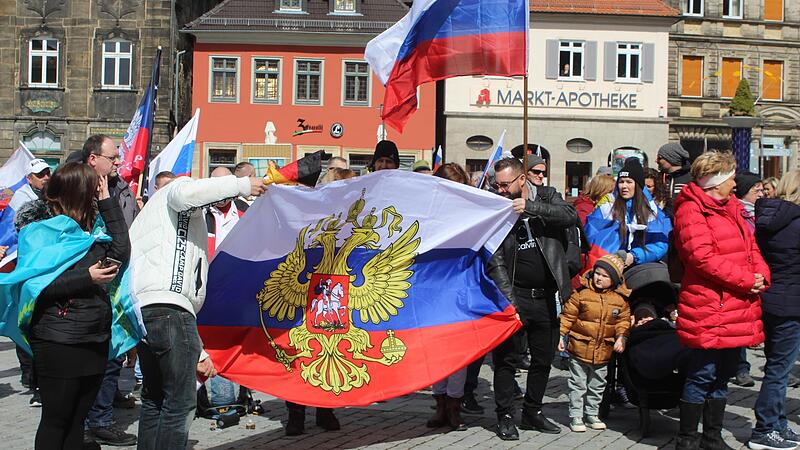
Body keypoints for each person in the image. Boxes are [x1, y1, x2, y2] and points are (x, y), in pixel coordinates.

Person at [129, 170, 266, 450]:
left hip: (146, 309)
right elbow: (185, 193)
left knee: (155, 399)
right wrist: (241, 184)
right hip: (170, 307)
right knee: (179, 402)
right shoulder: (177, 190)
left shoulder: (154, 214)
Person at [14, 163, 130, 450]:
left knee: (78, 420)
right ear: (77, 193)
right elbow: (34, 288)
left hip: (94, 336)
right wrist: (86, 277)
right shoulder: (39, 232)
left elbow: (121, 252)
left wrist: (107, 202)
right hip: (59, 339)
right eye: (93, 190)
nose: (96, 194)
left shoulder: (91, 231)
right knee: (57, 419)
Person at [672, 151, 769, 450]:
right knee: (702, 374)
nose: (736, 183)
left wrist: (761, 276)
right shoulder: (691, 210)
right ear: (717, 182)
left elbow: (752, 247)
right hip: (709, 305)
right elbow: (701, 257)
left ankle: (711, 438)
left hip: (736, 304)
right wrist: (744, 279)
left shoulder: (733, 207)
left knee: (722, 375)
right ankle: (687, 440)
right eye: (731, 178)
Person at [486, 158, 576, 440]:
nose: (500, 190)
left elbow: (570, 216)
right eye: (497, 184)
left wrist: (531, 208)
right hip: (516, 296)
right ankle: (504, 416)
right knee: (506, 360)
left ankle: (532, 412)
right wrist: (509, 300)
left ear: (522, 179)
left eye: (505, 184)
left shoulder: (547, 197)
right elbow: (494, 259)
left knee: (543, 358)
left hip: (547, 296)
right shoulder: (495, 207)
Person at [80, 135, 139, 447]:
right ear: (93, 159)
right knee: (95, 356)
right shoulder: (77, 188)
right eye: (113, 157)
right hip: (92, 281)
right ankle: (93, 420)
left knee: (112, 356)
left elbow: (129, 228)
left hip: (117, 281)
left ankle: (100, 416)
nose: (118, 162)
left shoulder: (118, 186)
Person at [750, 170, 800, 450]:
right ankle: (765, 429)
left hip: (770, 299)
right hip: (791, 303)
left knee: (775, 365)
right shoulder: (796, 222)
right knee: (779, 370)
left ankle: (778, 423)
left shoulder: (769, 218)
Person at [559, 254, 630, 433]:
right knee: (578, 384)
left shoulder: (620, 300)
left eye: (605, 276)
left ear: (613, 280)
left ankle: (592, 413)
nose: (599, 278)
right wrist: (561, 336)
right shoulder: (581, 294)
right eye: (597, 273)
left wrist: (621, 337)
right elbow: (567, 317)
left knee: (597, 385)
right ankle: (576, 415)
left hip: (603, 351)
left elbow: (623, 322)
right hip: (579, 348)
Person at [426, 163, 471, 432]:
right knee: (435, 352)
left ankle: (454, 405)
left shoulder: (469, 211)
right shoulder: (428, 211)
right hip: (432, 288)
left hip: (460, 287)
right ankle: (440, 403)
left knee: (459, 353)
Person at [7, 158, 50, 405]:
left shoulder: (53, 197)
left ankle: (38, 380)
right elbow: (12, 235)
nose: (45, 176)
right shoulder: (19, 202)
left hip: (42, 272)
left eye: (47, 172)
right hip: (26, 272)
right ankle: (31, 378)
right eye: (40, 174)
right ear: (29, 178)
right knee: (26, 324)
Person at [585, 158, 671, 270]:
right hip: (608, 270)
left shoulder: (652, 212)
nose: (624, 186)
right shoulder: (606, 209)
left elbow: (661, 244)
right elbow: (589, 238)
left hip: (641, 270)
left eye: (629, 182)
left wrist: (634, 256)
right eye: (621, 182)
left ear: (638, 185)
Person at [205, 167, 249, 256]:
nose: (222, 194)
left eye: (226, 187)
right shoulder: (200, 211)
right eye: (217, 187)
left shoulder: (245, 209)